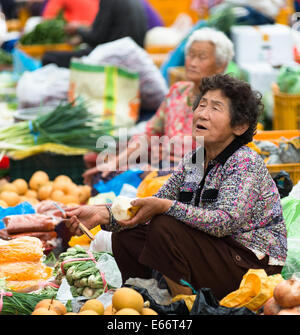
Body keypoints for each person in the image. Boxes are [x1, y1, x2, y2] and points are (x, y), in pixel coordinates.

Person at [61, 74, 287, 300]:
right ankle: (144, 298)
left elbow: (224, 221)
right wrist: (103, 213)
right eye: (201, 105)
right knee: (128, 232)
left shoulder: (244, 161)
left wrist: (166, 206)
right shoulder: (195, 160)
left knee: (164, 225)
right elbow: (149, 207)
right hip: (216, 251)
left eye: (215, 108)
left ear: (239, 126)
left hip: (251, 267)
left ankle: (185, 307)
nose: (202, 113)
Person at [83, 27, 235, 186]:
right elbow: (149, 134)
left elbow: (217, 158)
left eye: (202, 57)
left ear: (220, 66)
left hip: (196, 179)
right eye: (191, 55)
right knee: (103, 176)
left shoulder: (223, 104)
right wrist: (115, 162)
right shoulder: (177, 92)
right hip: (161, 170)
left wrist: (165, 168)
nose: (193, 62)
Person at [42, 0, 148, 68]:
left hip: (112, 58)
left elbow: (96, 38)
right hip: (130, 55)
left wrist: (78, 29)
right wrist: (82, 36)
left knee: (49, 57)